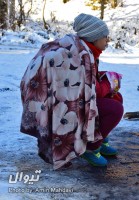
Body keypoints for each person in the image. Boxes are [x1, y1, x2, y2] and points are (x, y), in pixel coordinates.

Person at [20, 13, 123, 170]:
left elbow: (85, 83)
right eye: (105, 37)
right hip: (55, 105)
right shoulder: (78, 55)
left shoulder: (85, 49)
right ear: (93, 37)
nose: (108, 41)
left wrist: (105, 79)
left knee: (116, 97)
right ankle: (90, 148)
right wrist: (109, 83)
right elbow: (86, 91)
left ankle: (100, 139)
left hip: (63, 99)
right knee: (115, 108)